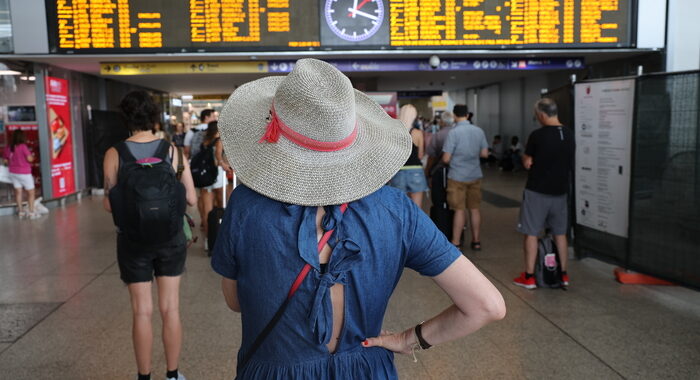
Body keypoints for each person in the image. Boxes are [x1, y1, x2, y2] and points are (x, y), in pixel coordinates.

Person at [211, 59, 505, 379]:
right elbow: (486, 305)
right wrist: (411, 339)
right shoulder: (396, 209)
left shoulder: (246, 206)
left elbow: (236, 302)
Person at [103, 90, 196, 380]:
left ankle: (144, 376)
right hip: (171, 238)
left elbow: (109, 203)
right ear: (154, 117)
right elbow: (191, 198)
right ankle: (173, 374)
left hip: (133, 241)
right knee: (170, 309)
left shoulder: (114, 153)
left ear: (126, 118)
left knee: (141, 311)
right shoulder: (172, 151)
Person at [513, 98, 575, 289]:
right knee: (560, 233)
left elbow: (528, 163)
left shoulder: (537, 135)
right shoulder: (569, 133)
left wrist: (526, 158)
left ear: (541, 114)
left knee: (531, 232)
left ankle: (530, 276)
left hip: (537, 191)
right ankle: (563, 274)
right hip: (561, 191)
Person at [442, 104, 488, 250]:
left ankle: (456, 243)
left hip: (457, 177)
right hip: (475, 175)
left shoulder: (453, 133)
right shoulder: (479, 131)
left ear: (454, 116)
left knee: (459, 209)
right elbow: (485, 154)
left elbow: (446, 158)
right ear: (467, 115)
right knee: (474, 208)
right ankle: (476, 241)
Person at [197, 120, 232, 250]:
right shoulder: (219, 141)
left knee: (207, 211)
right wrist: (223, 165)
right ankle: (219, 238)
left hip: (205, 178)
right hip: (217, 177)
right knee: (222, 206)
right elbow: (218, 156)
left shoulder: (204, 142)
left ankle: (208, 240)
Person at [388, 104, 429, 208]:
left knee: (399, 207)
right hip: (416, 171)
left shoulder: (394, 132)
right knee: (416, 208)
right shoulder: (418, 133)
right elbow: (420, 155)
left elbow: (391, 155)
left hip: (399, 171)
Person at [2, 130, 39, 219]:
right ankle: (31, 212)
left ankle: (21, 212)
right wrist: (33, 156)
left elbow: (5, 161)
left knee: (18, 192)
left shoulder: (8, 147)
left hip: (13, 173)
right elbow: (30, 159)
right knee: (31, 192)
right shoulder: (23, 147)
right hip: (24, 173)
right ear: (22, 137)